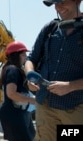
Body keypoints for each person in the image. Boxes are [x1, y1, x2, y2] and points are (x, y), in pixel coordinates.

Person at [24, 0, 83, 141]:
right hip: (45, 106)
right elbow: (30, 60)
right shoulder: (50, 28)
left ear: (78, 1)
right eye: (55, 3)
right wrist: (30, 76)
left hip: (74, 108)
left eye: (62, 1)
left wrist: (70, 86)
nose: (58, 7)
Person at [0, 41, 36, 141]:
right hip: (14, 113)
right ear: (15, 56)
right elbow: (11, 93)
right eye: (23, 54)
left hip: (20, 112)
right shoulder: (12, 69)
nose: (25, 57)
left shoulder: (15, 70)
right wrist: (32, 100)